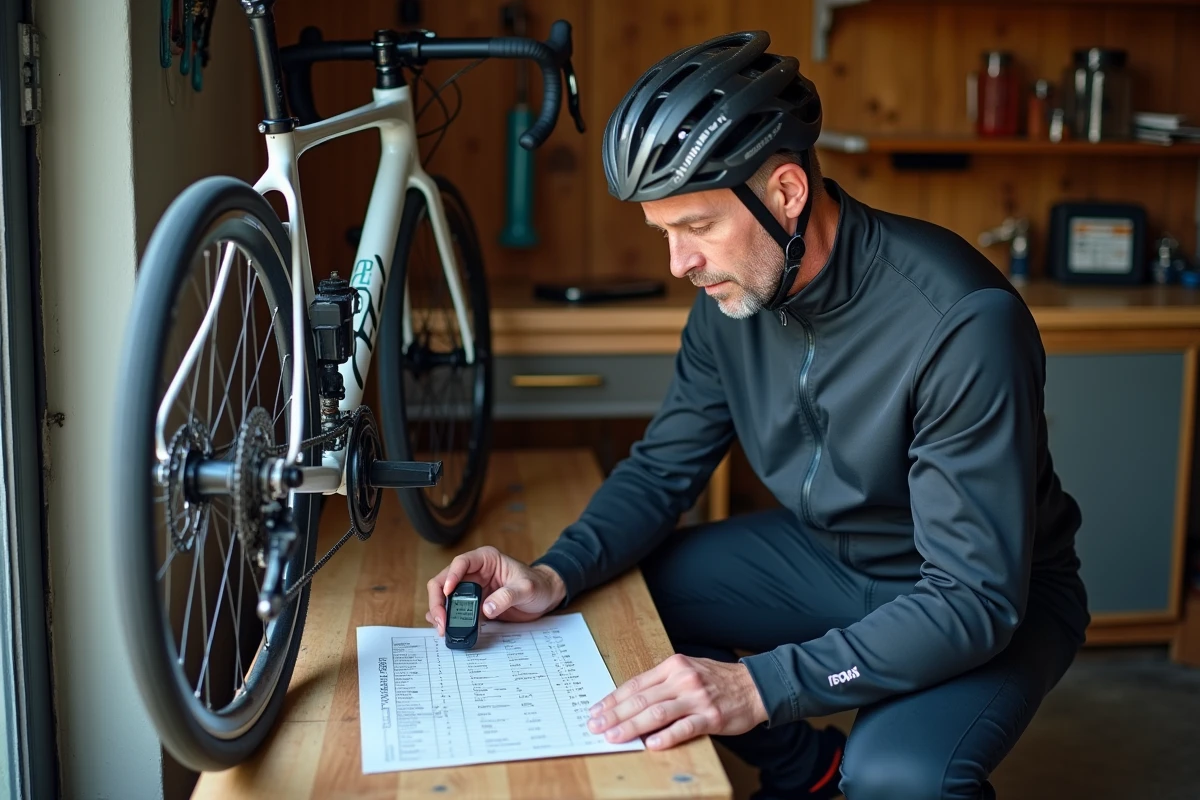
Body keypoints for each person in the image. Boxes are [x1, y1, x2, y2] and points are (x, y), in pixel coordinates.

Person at [424, 30, 1090, 800]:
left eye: (697, 226)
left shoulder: (960, 322)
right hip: (831, 558)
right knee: (621, 601)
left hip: (984, 592)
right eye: (664, 232)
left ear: (785, 193)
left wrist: (758, 686)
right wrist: (551, 572)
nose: (679, 264)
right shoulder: (734, 295)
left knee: (901, 778)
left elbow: (973, 598)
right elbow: (662, 468)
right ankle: (806, 775)